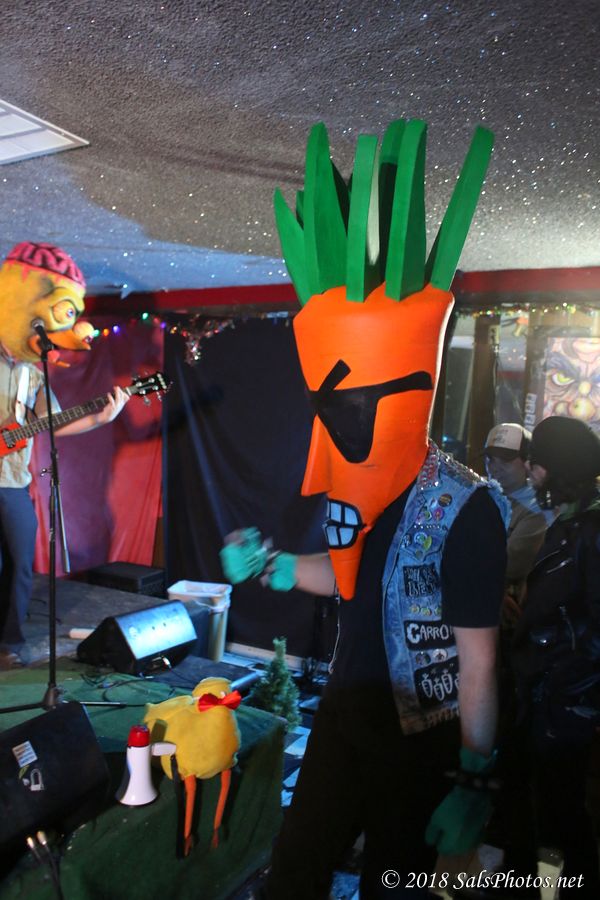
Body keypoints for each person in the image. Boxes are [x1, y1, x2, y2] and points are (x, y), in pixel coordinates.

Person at [221, 118, 510, 898]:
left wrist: (475, 779)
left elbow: (479, 661)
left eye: (348, 409)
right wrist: (276, 565)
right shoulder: (357, 487)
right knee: (295, 871)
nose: (333, 435)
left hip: (423, 740)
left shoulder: (467, 509)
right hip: (345, 716)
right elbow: (350, 577)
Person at [0, 242, 129, 671]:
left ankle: (8, 643)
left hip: (12, 482)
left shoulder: (33, 371)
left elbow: (51, 424)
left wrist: (100, 418)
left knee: (20, 562)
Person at [505, 415, 600, 898]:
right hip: (545, 696)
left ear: (558, 467)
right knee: (538, 809)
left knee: (562, 817)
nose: (530, 470)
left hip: (564, 706)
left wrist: (563, 698)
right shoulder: (569, 522)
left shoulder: (593, 531)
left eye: (536, 462)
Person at [483, 423, 551, 627]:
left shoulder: (537, 509)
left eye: (505, 460)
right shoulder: (481, 495)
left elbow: (509, 565)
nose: (495, 467)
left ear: (527, 462)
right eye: (490, 459)